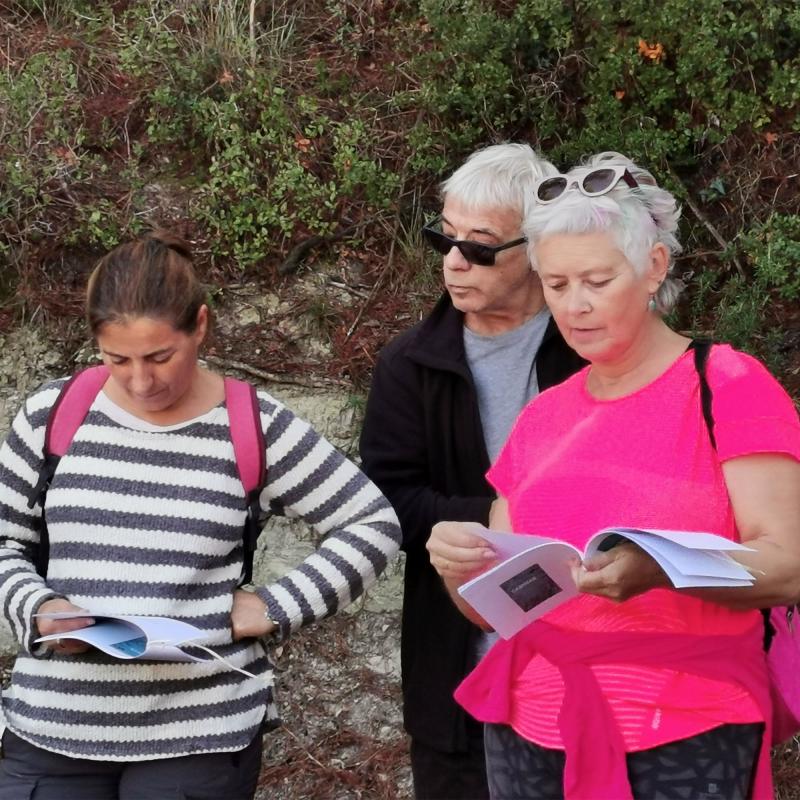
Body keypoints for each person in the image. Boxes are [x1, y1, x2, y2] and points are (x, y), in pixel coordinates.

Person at [427, 152, 800, 800]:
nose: (576, 306)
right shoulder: (542, 417)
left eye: (597, 280)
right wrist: (462, 571)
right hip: (529, 726)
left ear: (653, 267)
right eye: (557, 284)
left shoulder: (724, 383)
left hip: (685, 725)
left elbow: (789, 563)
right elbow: (498, 609)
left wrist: (663, 569)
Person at [0, 230, 401, 799]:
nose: (141, 380)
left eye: (161, 356)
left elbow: (372, 523)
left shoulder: (254, 425)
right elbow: (3, 542)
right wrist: (38, 609)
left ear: (201, 327)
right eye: (118, 359)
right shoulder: (53, 413)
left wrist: (273, 607)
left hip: (200, 737)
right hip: (51, 731)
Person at [359, 143, 584, 799]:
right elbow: (387, 503)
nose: (455, 261)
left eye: (480, 247)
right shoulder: (411, 364)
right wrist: (493, 519)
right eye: (444, 238)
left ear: (538, 249)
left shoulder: (591, 352)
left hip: (593, 676)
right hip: (462, 684)